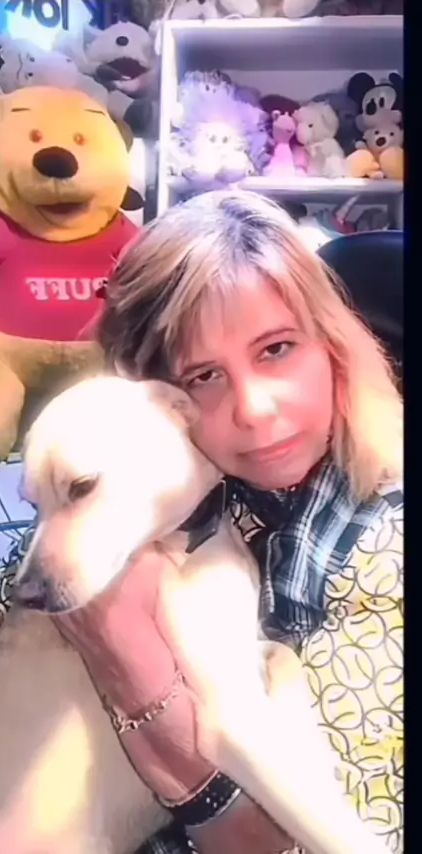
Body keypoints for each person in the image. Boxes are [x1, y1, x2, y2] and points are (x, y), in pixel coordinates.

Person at [58, 191, 403, 854]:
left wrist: (136, 682)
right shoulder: (157, 487)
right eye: (204, 376)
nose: (253, 409)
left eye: (276, 349)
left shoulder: (384, 546)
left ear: (332, 343)